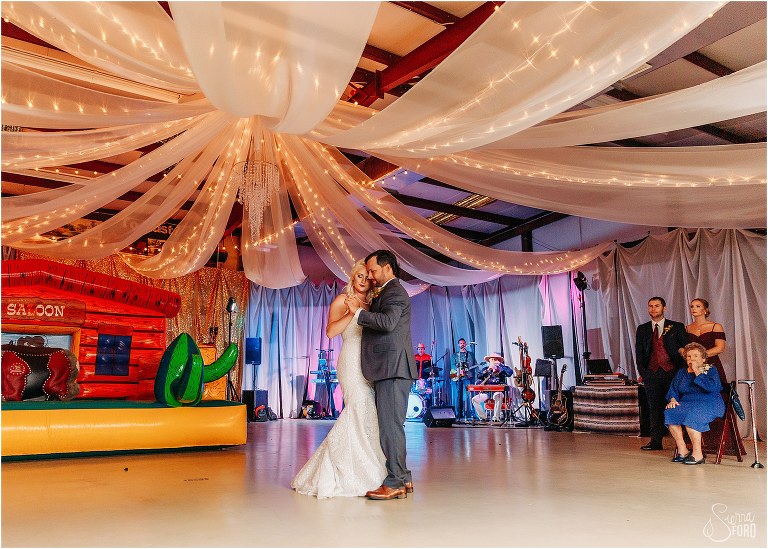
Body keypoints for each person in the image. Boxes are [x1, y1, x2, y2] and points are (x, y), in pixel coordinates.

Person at [291, 260, 386, 498]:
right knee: (357, 406)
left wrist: (362, 311)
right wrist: (352, 313)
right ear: (353, 278)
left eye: (367, 277)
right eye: (359, 276)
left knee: (368, 411)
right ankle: (343, 470)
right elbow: (331, 331)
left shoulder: (373, 302)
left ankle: (371, 465)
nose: (363, 281)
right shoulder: (342, 301)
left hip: (369, 361)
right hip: (351, 359)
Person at [346, 250, 417, 501]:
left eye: (373, 270)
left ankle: (395, 481)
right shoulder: (387, 291)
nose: (371, 276)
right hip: (389, 368)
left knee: (390, 428)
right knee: (392, 426)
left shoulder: (395, 292)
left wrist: (358, 313)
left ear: (387, 268)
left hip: (393, 368)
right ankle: (404, 477)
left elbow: (387, 323)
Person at [635, 297, 688, 451]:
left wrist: (681, 374)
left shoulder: (676, 327)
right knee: (654, 408)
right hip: (651, 374)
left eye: (657, 306)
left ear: (664, 308)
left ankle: (682, 443)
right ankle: (656, 441)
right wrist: (644, 373)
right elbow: (639, 354)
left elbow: (686, 349)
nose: (653, 309)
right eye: (650, 306)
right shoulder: (642, 328)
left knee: (676, 406)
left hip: (673, 373)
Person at [665, 342, 725, 465]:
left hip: (710, 402)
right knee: (671, 412)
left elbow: (712, 388)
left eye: (696, 356)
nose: (692, 359)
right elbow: (674, 389)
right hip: (687, 402)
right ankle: (683, 450)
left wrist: (697, 371)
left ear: (703, 358)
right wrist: (672, 400)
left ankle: (698, 455)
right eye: (689, 356)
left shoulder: (711, 370)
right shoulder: (681, 372)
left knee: (693, 415)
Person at [684, 298, 727, 385]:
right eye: (692, 307)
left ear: (705, 310)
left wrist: (699, 357)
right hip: (692, 365)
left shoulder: (716, 326)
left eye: (698, 306)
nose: (694, 309)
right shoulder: (686, 328)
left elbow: (720, 348)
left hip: (712, 363)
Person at [471, 352, 513, 422]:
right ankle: (483, 417)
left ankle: (496, 417)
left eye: (495, 359)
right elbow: (479, 376)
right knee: (474, 399)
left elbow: (510, 373)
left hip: (498, 392)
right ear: (489, 361)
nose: (493, 361)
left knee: (498, 395)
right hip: (487, 393)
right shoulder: (486, 369)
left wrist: (500, 365)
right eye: (492, 359)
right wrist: (487, 370)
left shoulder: (502, 370)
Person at [451, 338, 477, 419]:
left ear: (465, 344)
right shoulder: (455, 355)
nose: (462, 344)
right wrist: (458, 370)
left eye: (463, 343)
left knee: (469, 395)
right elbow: (452, 365)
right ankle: (459, 413)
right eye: (461, 343)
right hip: (457, 376)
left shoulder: (470, 354)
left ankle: (472, 413)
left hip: (467, 376)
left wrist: (465, 370)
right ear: (458, 345)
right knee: (459, 395)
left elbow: (473, 363)